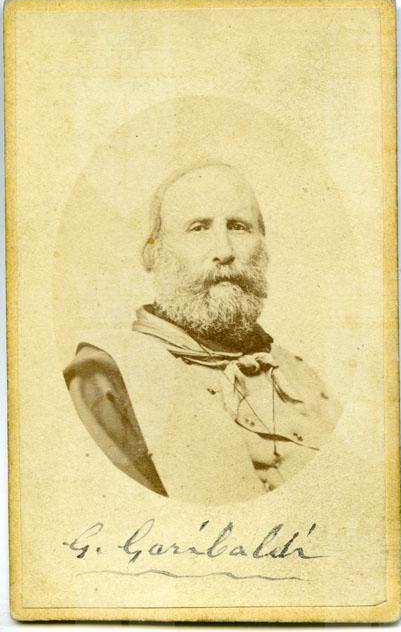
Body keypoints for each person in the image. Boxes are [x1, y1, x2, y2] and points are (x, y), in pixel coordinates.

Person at [64, 162, 340, 504]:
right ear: (153, 253)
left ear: (264, 250)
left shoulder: (301, 376)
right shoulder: (105, 379)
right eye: (198, 228)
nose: (224, 251)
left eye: (238, 227)